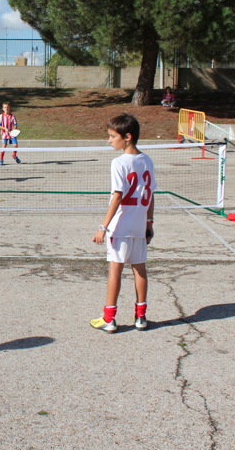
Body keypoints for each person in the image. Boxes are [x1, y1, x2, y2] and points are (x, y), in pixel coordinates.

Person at [90, 113, 157, 333]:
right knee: (140, 271)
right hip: (138, 226)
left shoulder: (118, 162)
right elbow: (151, 194)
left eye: (112, 136)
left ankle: (109, 319)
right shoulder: (146, 160)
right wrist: (149, 223)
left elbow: (117, 196)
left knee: (115, 271)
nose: (109, 140)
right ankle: (141, 317)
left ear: (127, 137)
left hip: (119, 227)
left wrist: (102, 227)